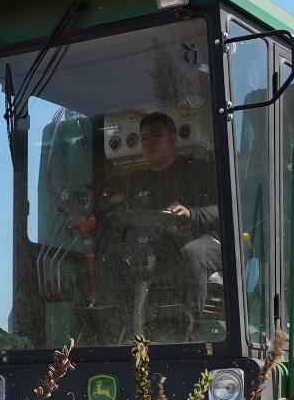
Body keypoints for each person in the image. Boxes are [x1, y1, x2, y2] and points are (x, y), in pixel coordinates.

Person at [86, 112, 221, 328]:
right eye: (145, 138)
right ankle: (116, 332)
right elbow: (128, 219)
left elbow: (223, 209)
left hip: (206, 240)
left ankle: (192, 331)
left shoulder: (197, 170)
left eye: (156, 136)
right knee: (112, 257)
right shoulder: (140, 182)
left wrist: (191, 213)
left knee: (193, 253)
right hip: (160, 245)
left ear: (173, 137)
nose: (149, 143)